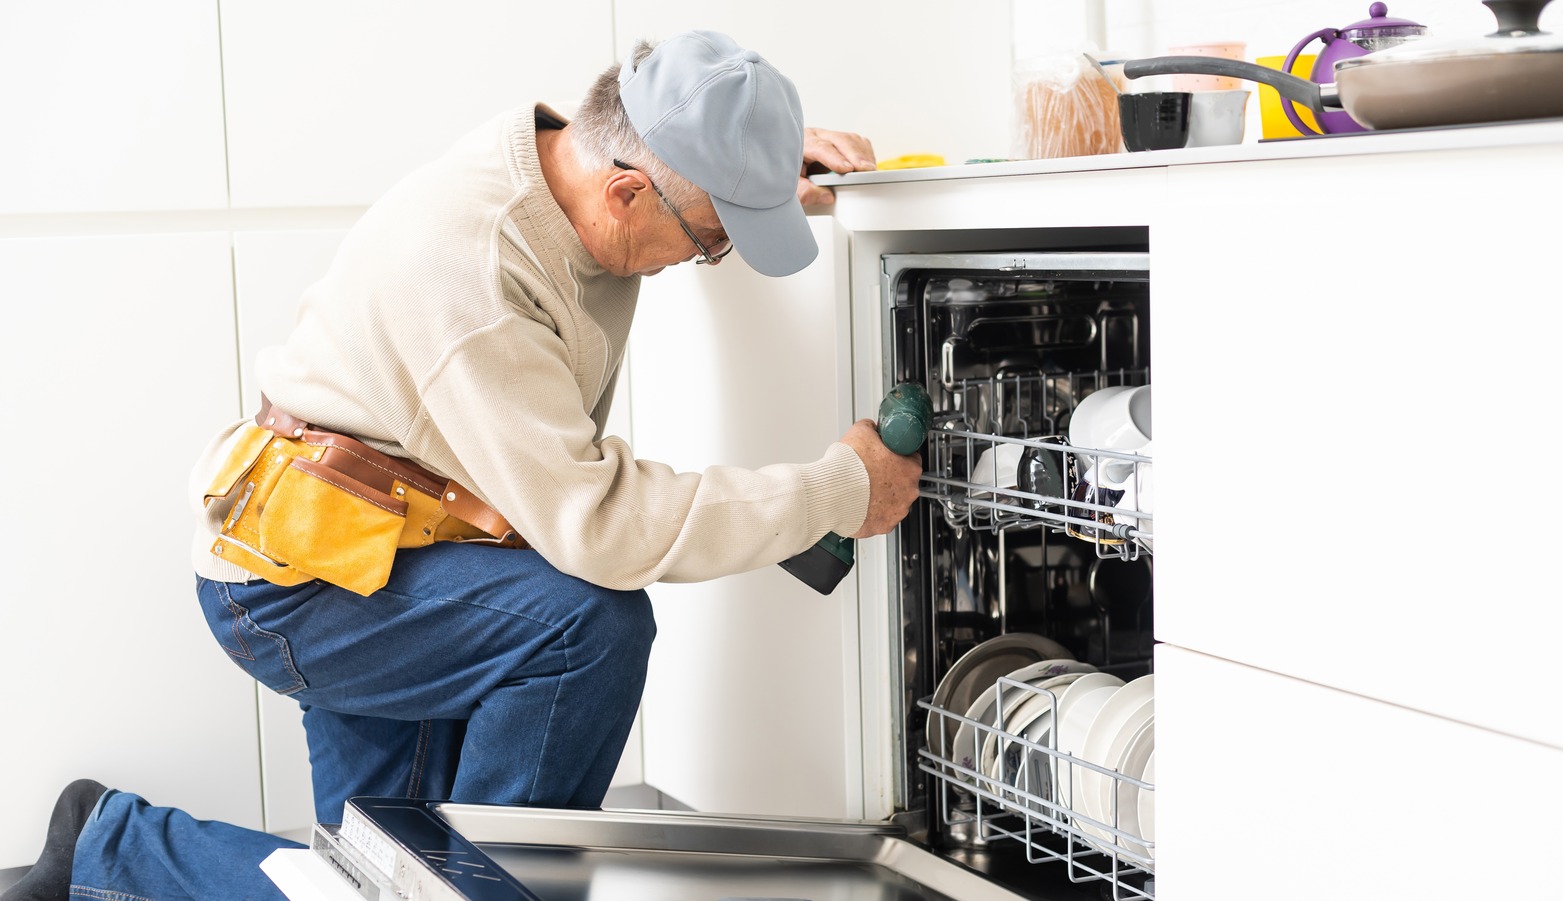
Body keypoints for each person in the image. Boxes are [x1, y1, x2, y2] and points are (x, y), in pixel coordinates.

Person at [4, 29, 921, 901]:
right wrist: (836, 488)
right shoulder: (481, 277)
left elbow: (663, 130)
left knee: (380, 873)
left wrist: (751, 174)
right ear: (629, 195)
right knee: (590, 627)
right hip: (305, 580)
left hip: (397, 541)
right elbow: (599, 527)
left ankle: (105, 845)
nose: (705, 257)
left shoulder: (575, 162)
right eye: (712, 235)